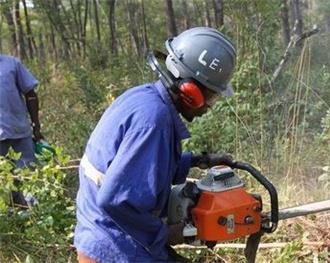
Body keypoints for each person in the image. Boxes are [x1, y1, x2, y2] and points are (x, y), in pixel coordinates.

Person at [74, 27, 237, 262]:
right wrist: (169, 233)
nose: (208, 106)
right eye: (210, 97)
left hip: (107, 235)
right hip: (116, 247)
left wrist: (197, 161)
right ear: (190, 91)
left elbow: (141, 165)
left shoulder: (145, 97)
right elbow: (115, 199)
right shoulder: (153, 121)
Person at [0, 54, 42, 207]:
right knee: (6, 184)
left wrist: (36, 126)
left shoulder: (12, 64)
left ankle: (36, 219)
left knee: (29, 179)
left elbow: (30, 94)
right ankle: (16, 221)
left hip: (20, 133)